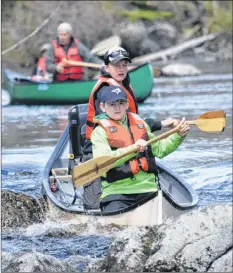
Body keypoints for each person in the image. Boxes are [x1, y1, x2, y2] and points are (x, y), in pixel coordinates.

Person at [90, 85, 190, 212]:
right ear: (103, 107)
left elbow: (160, 149)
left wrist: (178, 136)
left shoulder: (140, 124)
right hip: (117, 193)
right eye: (112, 104)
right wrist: (133, 149)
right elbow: (103, 161)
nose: (117, 107)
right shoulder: (99, 132)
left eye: (121, 103)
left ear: (127, 105)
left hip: (148, 190)